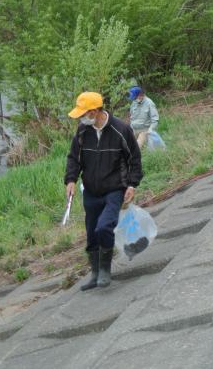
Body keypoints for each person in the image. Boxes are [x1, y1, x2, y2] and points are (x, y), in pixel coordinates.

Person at [64, 92, 143, 290]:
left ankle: (106, 271)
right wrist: (71, 180)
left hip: (114, 189)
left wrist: (132, 185)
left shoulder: (121, 130)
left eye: (83, 114)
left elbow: (135, 159)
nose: (81, 118)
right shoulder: (83, 131)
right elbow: (74, 158)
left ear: (94, 111)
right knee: (91, 233)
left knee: (104, 227)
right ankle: (95, 274)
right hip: (90, 190)